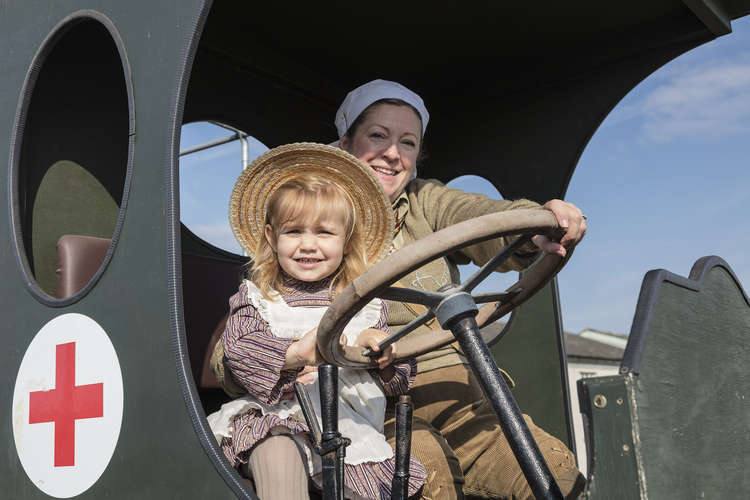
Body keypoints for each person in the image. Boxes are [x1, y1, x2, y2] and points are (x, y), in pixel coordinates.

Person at [334, 79, 588, 500]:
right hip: (371, 404)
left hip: (459, 392)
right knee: (424, 473)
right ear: (346, 142)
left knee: (550, 472)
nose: (393, 154)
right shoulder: (315, 216)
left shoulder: (423, 201)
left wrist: (536, 223)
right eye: (378, 136)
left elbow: (477, 216)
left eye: (408, 143)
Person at [207, 143, 426, 500]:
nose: (308, 244)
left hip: (349, 429)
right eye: (294, 231)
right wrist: (295, 353)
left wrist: (384, 353)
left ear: (346, 241)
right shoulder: (260, 298)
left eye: (324, 233)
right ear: (270, 237)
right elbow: (238, 350)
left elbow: (401, 380)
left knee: (371, 483)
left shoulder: (365, 306)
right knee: (277, 452)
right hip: (277, 417)